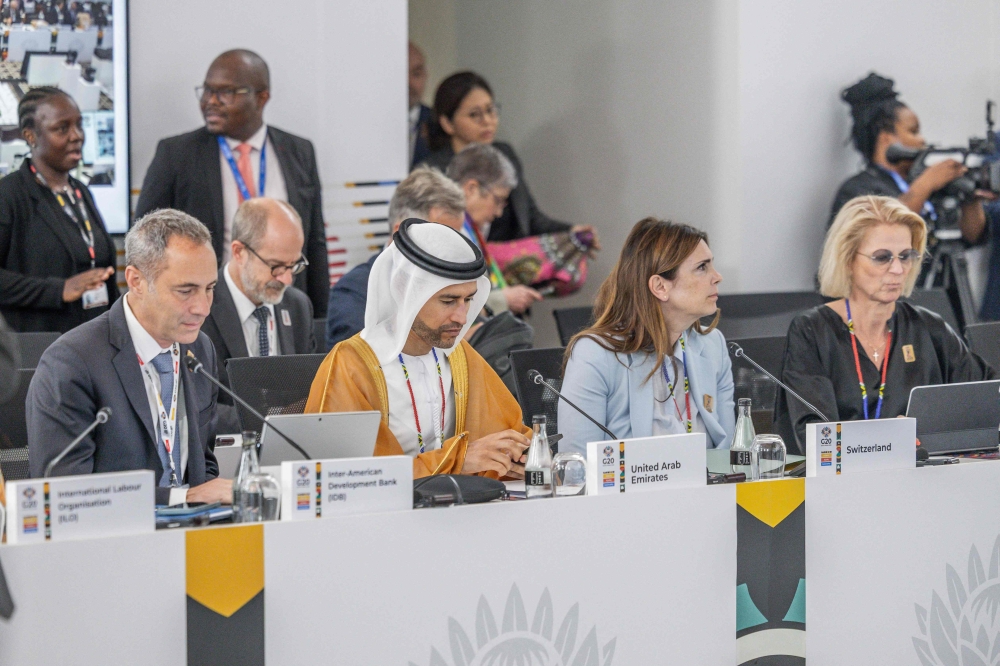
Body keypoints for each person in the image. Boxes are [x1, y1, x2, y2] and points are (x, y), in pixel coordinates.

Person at [26, 209, 232, 506]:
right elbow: (66, 496)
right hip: (110, 544)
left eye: (209, 289)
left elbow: (202, 464)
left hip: (193, 535)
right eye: (185, 291)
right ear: (136, 281)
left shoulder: (199, 349)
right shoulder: (71, 363)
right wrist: (181, 497)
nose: (203, 308)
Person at [306, 219, 532, 478]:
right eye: (448, 301)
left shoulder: (459, 356)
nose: (461, 317)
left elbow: (510, 437)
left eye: (468, 300)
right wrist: (456, 461)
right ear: (406, 292)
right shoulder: (352, 364)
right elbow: (346, 478)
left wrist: (523, 458)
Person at [775, 195, 995, 453]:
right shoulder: (812, 331)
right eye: (882, 257)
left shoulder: (928, 326)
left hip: (925, 481)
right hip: (841, 485)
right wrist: (889, 438)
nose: (898, 269)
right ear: (848, 260)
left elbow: (987, 399)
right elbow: (814, 437)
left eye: (905, 256)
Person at [134, 49, 330, 317]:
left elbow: (315, 242)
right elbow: (144, 238)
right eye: (206, 91)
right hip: (206, 309)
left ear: (261, 98)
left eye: (226, 92)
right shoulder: (177, 154)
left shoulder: (299, 152)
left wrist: (320, 317)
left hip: (284, 303)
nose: (210, 102)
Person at [559, 218, 735, 454]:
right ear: (660, 287)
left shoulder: (713, 346)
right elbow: (575, 464)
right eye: (702, 267)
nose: (717, 277)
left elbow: (732, 453)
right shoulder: (595, 355)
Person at [422, 71, 599, 247]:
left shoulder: (505, 154)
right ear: (447, 123)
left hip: (512, 266)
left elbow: (531, 218)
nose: (487, 121)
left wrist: (572, 232)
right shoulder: (432, 172)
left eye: (491, 110)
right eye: (475, 115)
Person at [0, 87, 119, 333]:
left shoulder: (80, 191)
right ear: (30, 136)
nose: (77, 136)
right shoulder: (9, 195)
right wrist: (59, 290)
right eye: (62, 128)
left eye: (79, 125)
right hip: (38, 349)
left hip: (93, 341)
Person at [830, 72, 987, 244]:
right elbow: (882, 240)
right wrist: (926, 185)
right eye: (913, 131)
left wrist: (970, 198)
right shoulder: (858, 190)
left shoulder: (922, 185)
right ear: (886, 138)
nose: (922, 140)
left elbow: (973, 237)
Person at [202, 198, 316, 434]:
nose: (287, 279)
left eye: (293, 265)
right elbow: (198, 408)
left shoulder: (298, 308)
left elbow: (312, 394)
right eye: (276, 266)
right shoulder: (201, 309)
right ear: (239, 252)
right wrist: (271, 426)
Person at [325, 166, 466, 348]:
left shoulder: (455, 286)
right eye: (440, 239)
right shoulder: (355, 292)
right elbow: (359, 363)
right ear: (401, 235)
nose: (451, 252)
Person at [445, 142, 546, 315]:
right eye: (498, 200)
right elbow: (447, 304)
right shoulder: (446, 232)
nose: (499, 212)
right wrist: (503, 300)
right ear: (471, 189)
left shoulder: (471, 227)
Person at [408, 42, 432, 169]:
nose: (409, 82)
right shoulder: (369, 123)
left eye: (416, 74)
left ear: (425, 76)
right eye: (401, 73)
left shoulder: (437, 122)